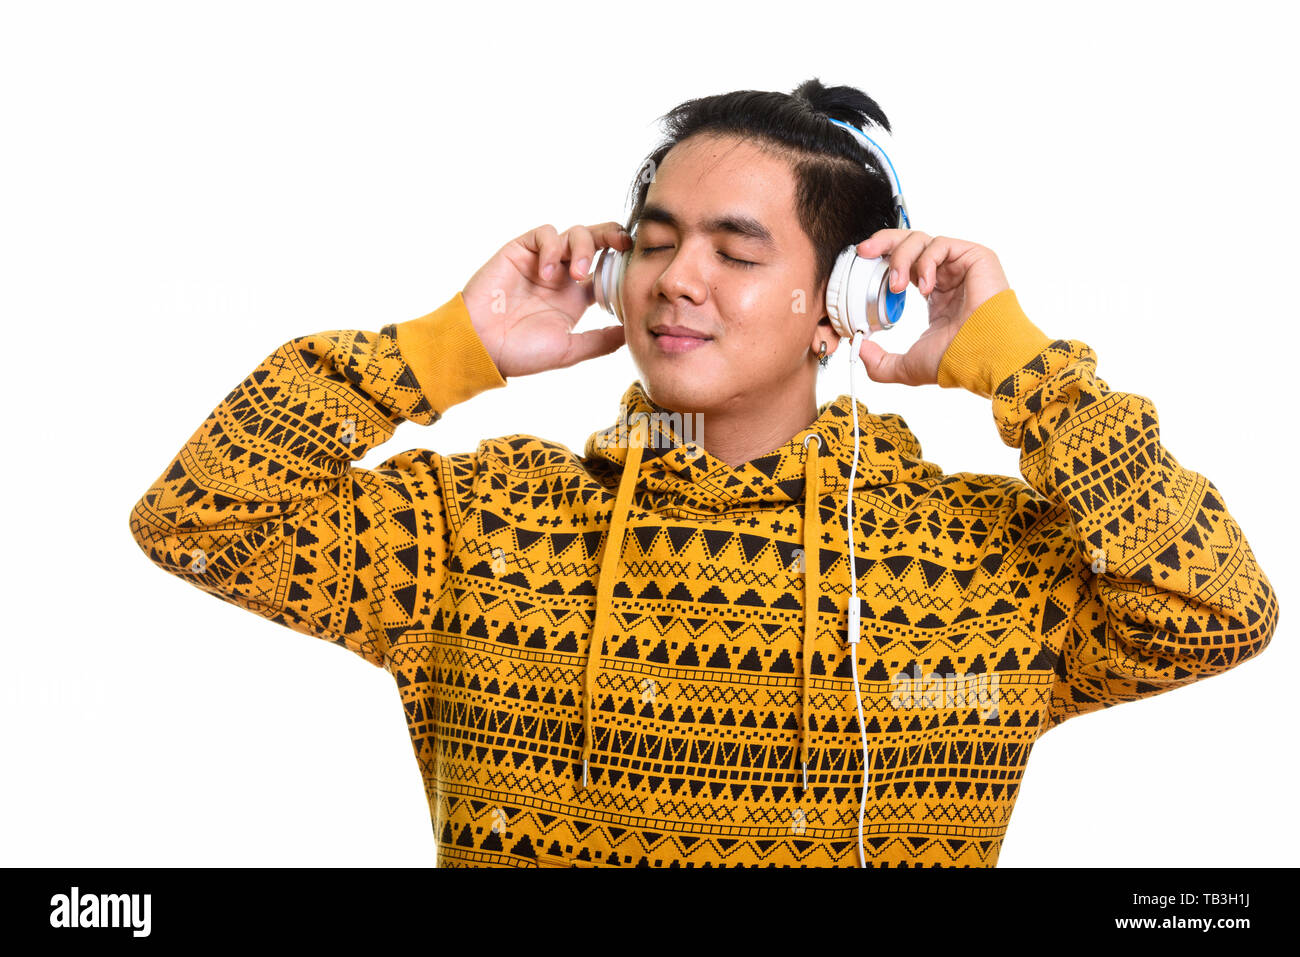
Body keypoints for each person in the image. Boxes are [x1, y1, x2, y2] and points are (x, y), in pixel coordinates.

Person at [128, 78, 1279, 868]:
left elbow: (1214, 611)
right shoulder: (479, 529)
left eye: (736, 252)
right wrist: (443, 349)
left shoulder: (983, 569)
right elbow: (200, 520)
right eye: (657, 240)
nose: (678, 279)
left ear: (839, 305)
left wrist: (1027, 373)